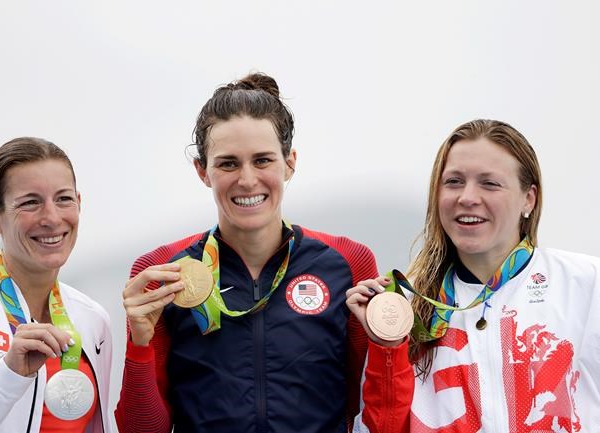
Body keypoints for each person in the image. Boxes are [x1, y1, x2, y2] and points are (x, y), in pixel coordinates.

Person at [115, 72, 377, 433]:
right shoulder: (162, 271)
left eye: (263, 160)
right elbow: (141, 430)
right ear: (202, 171)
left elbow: (370, 406)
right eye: (228, 163)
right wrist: (139, 343)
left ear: (290, 163)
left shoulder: (348, 262)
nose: (247, 179)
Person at [347, 119, 600, 433]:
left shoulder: (587, 284)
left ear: (528, 199)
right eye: (453, 181)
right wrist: (386, 345)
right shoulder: (405, 307)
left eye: (489, 183)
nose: (467, 197)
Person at [0, 137, 113, 432]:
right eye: (30, 203)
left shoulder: (94, 319)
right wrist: (9, 375)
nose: (51, 218)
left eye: (64, 198)